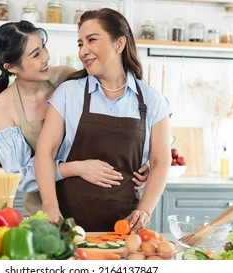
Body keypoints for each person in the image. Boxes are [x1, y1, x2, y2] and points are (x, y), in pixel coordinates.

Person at [0, 21, 148, 216]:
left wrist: (145, 161)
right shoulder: (3, 107)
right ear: (11, 67)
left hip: (89, 205)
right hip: (44, 213)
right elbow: (20, 177)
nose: (46, 57)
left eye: (43, 47)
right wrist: (76, 168)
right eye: (35, 55)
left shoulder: (66, 78)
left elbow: (114, 119)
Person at [35, 8, 172, 233]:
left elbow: (160, 161)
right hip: (67, 224)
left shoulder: (152, 100)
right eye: (80, 44)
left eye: (91, 40)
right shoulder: (68, 93)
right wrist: (49, 205)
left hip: (124, 228)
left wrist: (145, 210)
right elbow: (44, 152)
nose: (83, 51)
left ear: (119, 44)